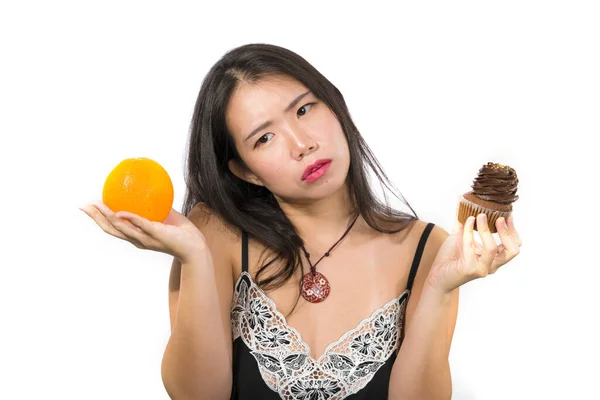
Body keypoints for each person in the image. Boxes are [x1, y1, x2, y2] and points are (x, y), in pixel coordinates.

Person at [81, 43, 522, 400]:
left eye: (305, 109)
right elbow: (198, 396)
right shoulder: (216, 235)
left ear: (335, 106)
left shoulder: (425, 247)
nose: (301, 143)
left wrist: (442, 288)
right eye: (265, 137)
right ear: (245, 169)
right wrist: (194, 257)